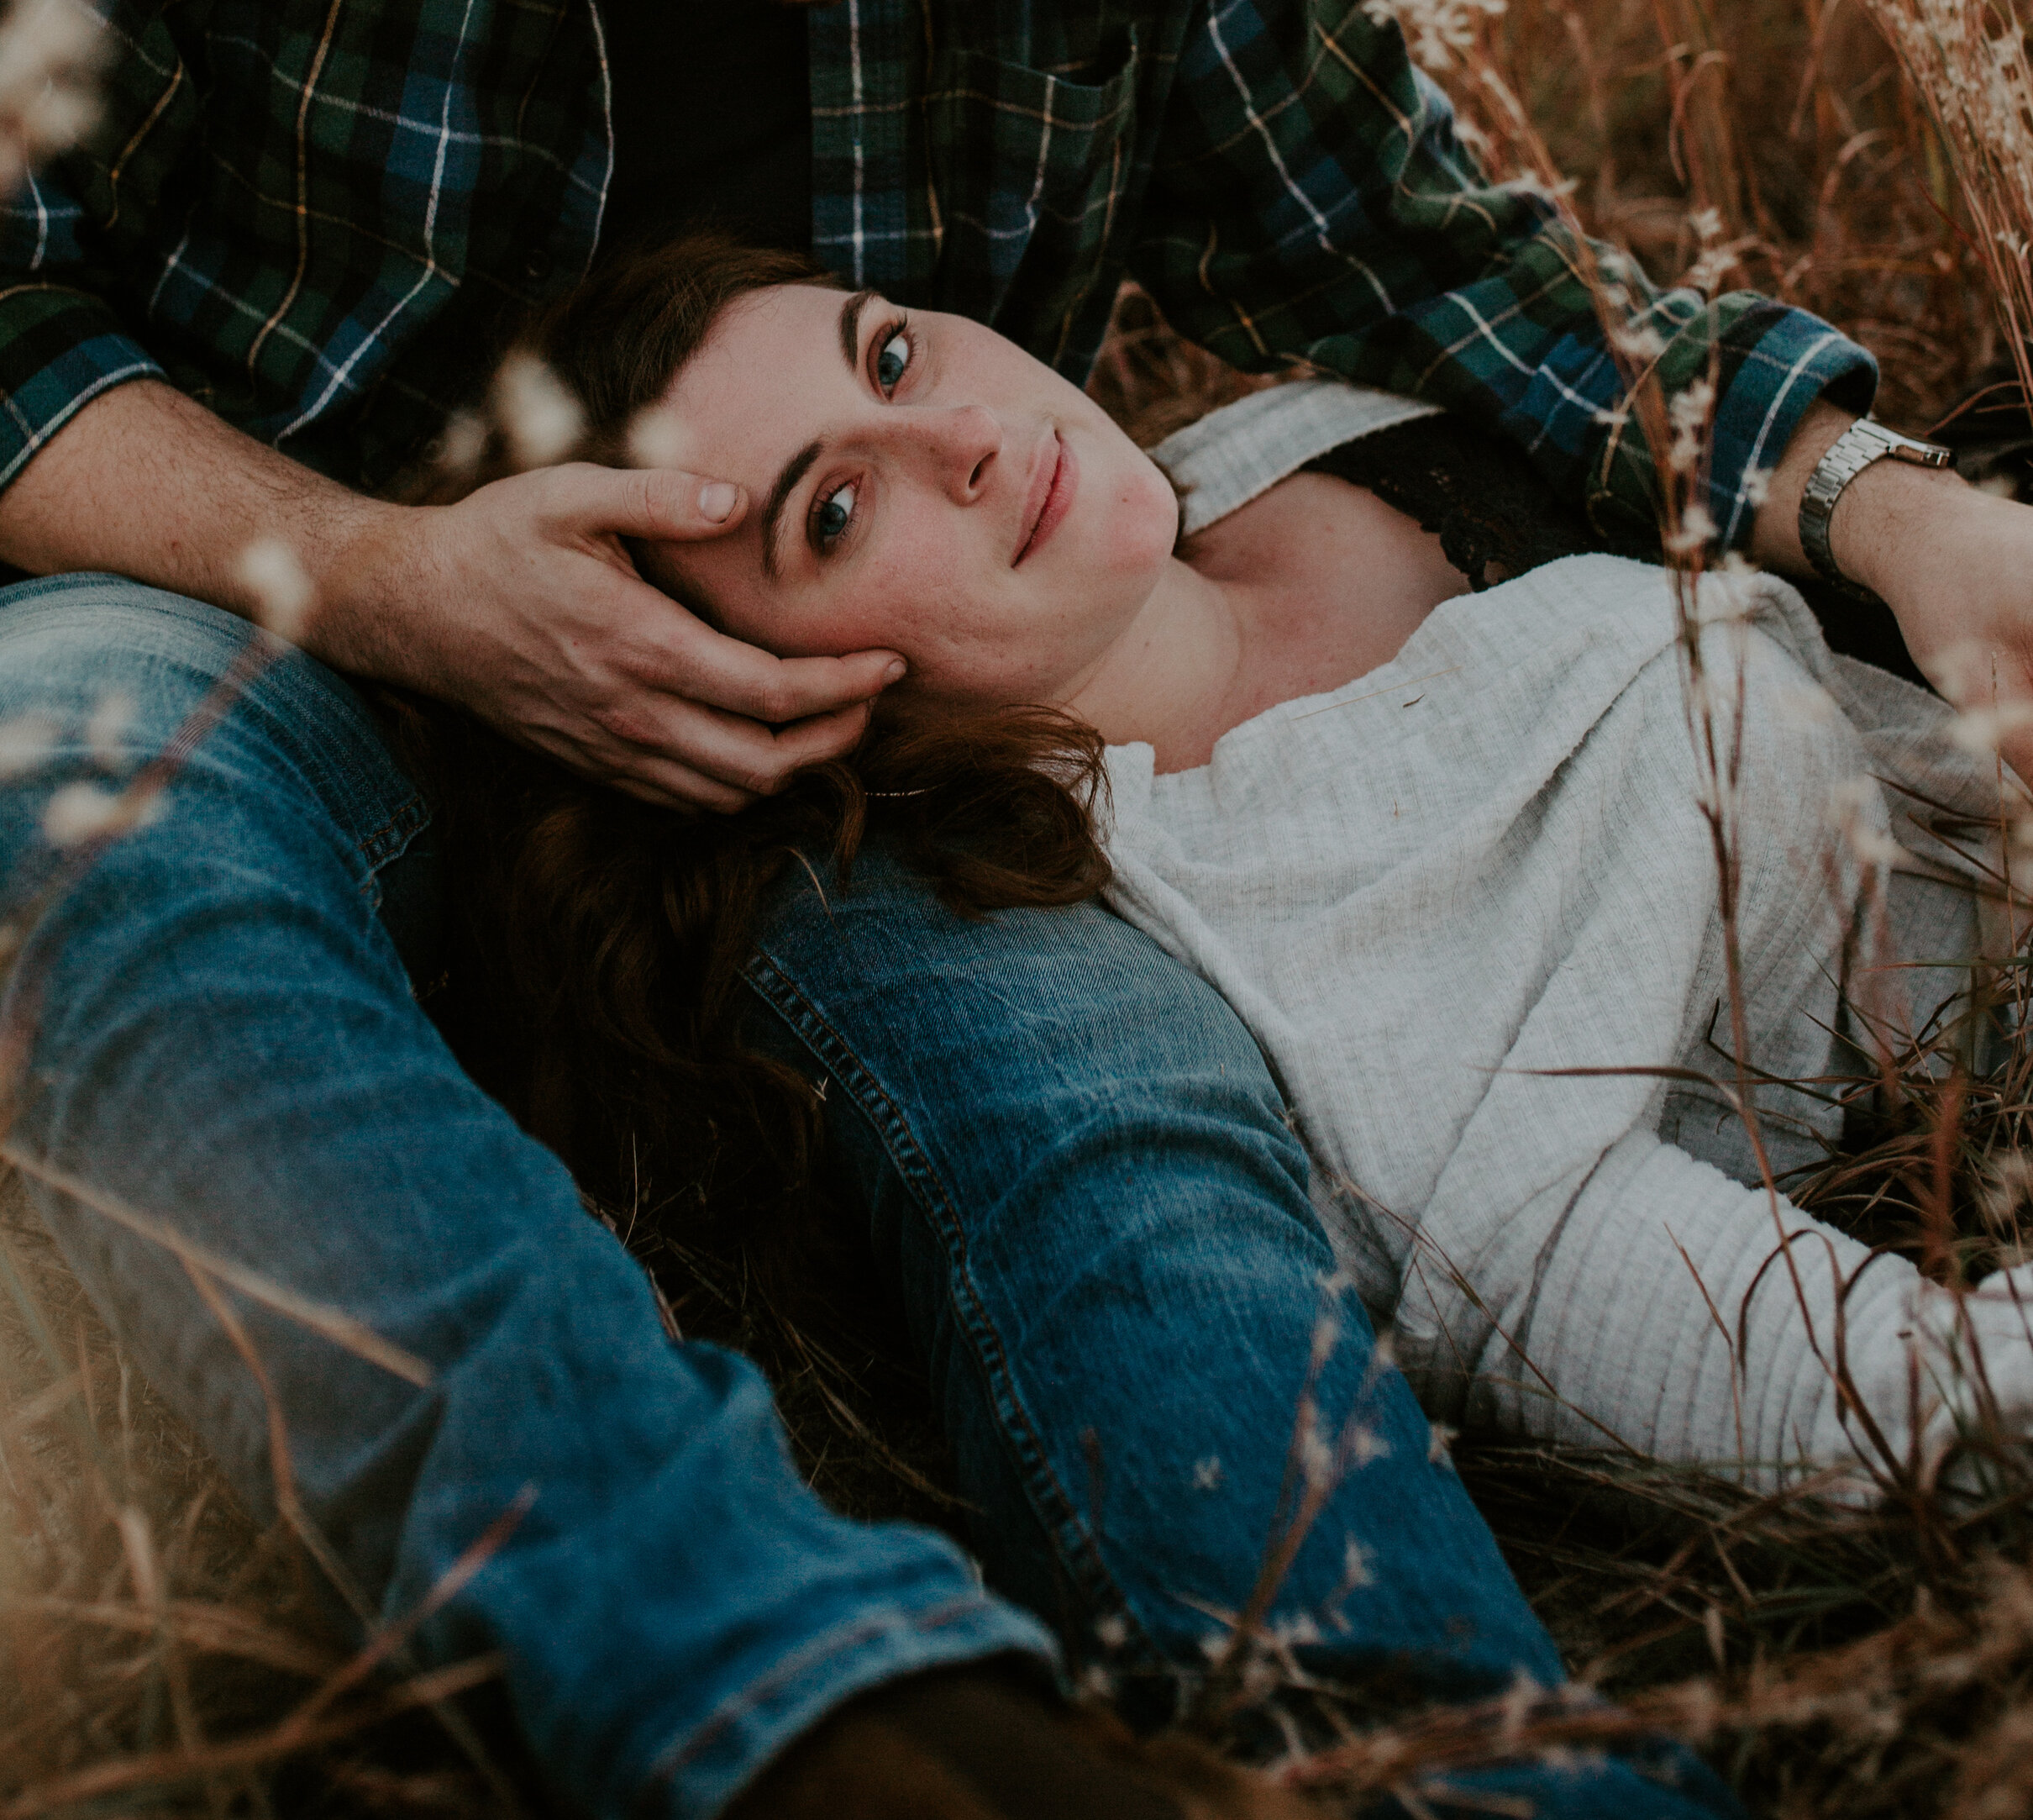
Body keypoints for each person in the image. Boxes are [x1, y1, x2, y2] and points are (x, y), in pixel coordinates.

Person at [0, 0, 2008, 1810]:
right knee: (31, 776)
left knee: (1120, 1117)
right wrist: (388, 578)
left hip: (829, 754)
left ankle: (1448, 1773)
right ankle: (824, 1718)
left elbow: (1455, 262)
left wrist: (1884, 497)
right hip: (246, 617)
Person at [475, 239, 2033, 1502]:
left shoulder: (1280, 435)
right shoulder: (1253, 951)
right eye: (835, 506)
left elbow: (1614, 350)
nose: (961, 436)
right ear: (759, 702)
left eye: (892, 351)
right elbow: (1863, 1375)